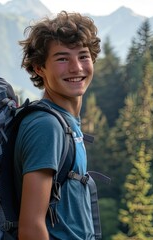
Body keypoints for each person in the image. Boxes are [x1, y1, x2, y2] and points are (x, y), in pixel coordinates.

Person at [15, 11, 101, 240]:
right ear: (39, 68)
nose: (76, 68)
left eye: (83, 56)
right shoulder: (47, 127)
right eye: (62, 59)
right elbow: (31, 227)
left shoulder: (65, 122)